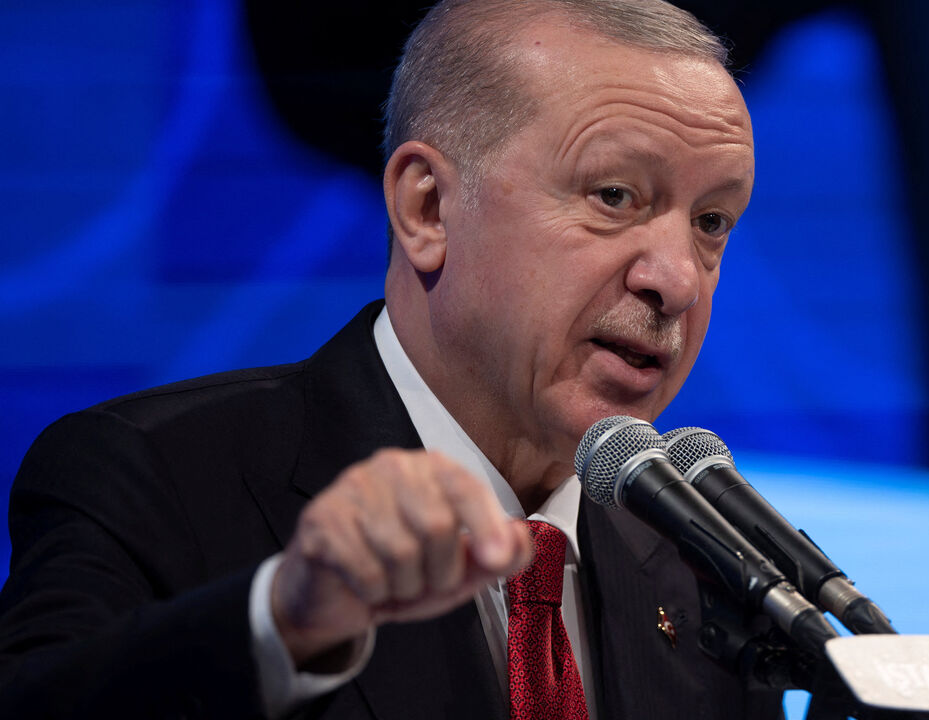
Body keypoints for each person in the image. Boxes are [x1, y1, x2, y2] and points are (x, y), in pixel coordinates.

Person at [0, 0, 779, 718]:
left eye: (712, 221)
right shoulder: (155, 476)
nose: (677, 279)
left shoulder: (705, 574)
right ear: (426, 208)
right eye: (614, 195)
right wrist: (288, 619)